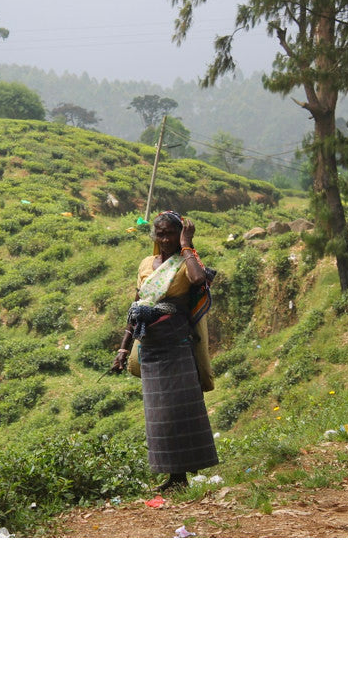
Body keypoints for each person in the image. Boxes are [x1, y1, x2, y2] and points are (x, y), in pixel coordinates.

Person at [111, 210, 219, 491]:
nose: (165, 238)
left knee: (181, 412)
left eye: (171, 233)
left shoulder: (187, 261)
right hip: (151, 349)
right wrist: (123, 349)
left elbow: (197, 280)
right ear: (154, 236)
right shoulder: (147, 263)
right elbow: (136, 306)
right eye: (161, 234)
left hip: (177, 347)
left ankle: (184, 476)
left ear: (180, 234)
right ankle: (175, 478)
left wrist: (187, 245)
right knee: (159, 417)